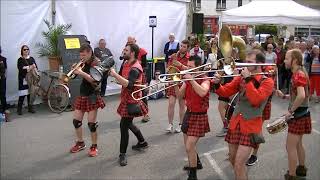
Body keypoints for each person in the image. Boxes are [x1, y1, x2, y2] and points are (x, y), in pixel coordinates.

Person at [212, 50, 274, 180]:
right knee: (233, 160)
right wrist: (217, 84)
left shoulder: (267, 81)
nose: (245, 64)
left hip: (251, 127)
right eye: (246, 60)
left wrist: (247, 79)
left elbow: (256, 100)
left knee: (239, 164)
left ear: (260, 64)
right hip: (235, 123)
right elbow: (225, 92)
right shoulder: (241, 78)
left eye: (250, 62)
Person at [109, 43, 149, 166]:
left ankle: (122, 154)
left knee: (123, 126)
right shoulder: (126, 63)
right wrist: (115, 77)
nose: (123, 51)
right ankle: (142, 142)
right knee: (129, 123)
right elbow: (124, 80)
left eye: (126, 50)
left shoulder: (136, 67)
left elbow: (130, 85)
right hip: (126, 98)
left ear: (132, 53)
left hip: (132, 100)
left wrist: (115, 74)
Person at [275, 49, 312, 180]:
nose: (284, 61)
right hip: (303, 113)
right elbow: (299, 94)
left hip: (298, 115)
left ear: (294, 60)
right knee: (298, 144)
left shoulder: (298, 74)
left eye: (286, 58)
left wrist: (290, 111)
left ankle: (292, 175)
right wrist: (285, 96)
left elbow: (301, 95)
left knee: (290, 146)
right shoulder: (299, 73)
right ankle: (301, 169)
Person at [174, 55, 210, 180]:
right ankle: (197, 163)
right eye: (187, 66)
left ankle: (193, 175)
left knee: (189, 146)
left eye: (190, 67)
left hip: (199, 116)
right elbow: (179, 96)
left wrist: (191, 80)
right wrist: (174, 83)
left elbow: (202, 92)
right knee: (188, 146)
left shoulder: (205, 79)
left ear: (198, 68)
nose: (187, 69)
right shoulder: (188, 80)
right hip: (189, 113)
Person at [69, 43, 105, 157]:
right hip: (83, 93)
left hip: (92, 95)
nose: (82, 57)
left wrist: (81, 72)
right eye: (80, 55)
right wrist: (74, 71)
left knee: (91, 124)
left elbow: (95, 81)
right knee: (76, 121)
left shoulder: (97, 63)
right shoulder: (83, 62)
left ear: (90, 52)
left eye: (84, 55)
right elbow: (75, 76)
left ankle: (94, 146)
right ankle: (80, 143)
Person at [165, 39, 190, 133]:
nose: (181, 48)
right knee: (171, 104)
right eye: (181, 46)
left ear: (187, 48)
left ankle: (181, 124)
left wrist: (180, 65)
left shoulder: (189, 57)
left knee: (182, 105)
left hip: (182, 82)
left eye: (184, 47)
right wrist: (168, 70)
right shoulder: (174, 55)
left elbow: (190, 70)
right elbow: (168, 67)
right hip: (174, 80)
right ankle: (170, 124)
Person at [17, 45, 37, 115]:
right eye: (24, 49)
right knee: (22, 94)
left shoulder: (31, 58)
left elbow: (35, 67)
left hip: (31, 79)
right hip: (23, 79)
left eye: (27, 49)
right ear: (22, 51)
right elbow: (21, 69)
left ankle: (30, 107)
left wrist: (28, 68)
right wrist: (30, 67)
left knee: (30, 93)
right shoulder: (20, 59)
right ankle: (19, 109)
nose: (26, 51)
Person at [0, 46, 9, 121]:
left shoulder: (3, 59)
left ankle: (4, 110)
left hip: (2, 80)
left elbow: (6, 69)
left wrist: (4, 77)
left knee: (3, 95)